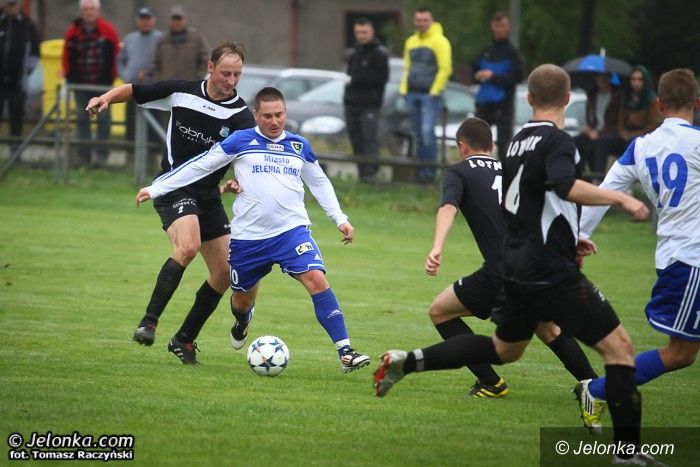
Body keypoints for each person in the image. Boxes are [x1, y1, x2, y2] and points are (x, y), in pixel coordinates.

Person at [375, 64, 655, 465]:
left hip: (517, 265)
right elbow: (565, 186)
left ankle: (411, 361)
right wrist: (622, 198)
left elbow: (521, 207)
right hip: (548, 267)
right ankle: (626, 450)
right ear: (567, 98)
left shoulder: (517, 143)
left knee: (504, 348)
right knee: (620, 349)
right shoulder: (558, 140)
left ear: (528, 98)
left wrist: (569, 236)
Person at [135, 87, 371, 372]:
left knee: (316, 279)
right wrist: (157, 188)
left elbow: (319, 183)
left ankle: (345, 351)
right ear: (256, 115)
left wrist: (340, 218)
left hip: (291, 232)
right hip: (248, 239)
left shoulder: (299, 146)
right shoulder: (240, 140)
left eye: (279, 115)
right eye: (268, 116)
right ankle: (242, 320)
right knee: (242, 301)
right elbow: (200, 166)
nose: (274, 121)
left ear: (286, 113)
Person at [85, 42, 255, 357]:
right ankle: (148, 322)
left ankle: (184, 339)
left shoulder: (241, 116)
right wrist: (106, 97)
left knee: (224, 272)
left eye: (237, 75)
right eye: (225, 73)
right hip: (174, 188)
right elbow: (135, 90)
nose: (231, 81)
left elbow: (249, 157)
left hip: (208, 196)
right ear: (210, 67)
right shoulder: (181, 92)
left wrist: (238, 182)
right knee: (188, 246)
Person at [425, 117, 599, 398]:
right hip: (535, 264)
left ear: (462, 146)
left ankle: (491, 383)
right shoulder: (513, 169)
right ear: (492, 146)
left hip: (501, 271)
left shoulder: (458, 171)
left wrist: (437, 246)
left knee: (440, 312)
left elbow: (448, 207)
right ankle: (594, 385)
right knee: (548, 328)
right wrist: (572, 238)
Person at [576, 68, 700, 426]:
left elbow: (604, 193)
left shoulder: (641, 147)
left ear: (658, 104)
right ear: (696, 103)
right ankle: (597, 390)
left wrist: (577, 237)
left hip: (675, 256)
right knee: (681, 354)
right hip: (691, 259)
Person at [62, 0, 120, 168]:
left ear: (97, 11)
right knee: (82, 120)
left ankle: (101, 158)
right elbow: (65, 56)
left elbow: (116, 55)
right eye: (86, 9)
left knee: (104, 121)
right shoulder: (73, 31)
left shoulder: (108, 30)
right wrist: (69, 76)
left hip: (103, 87)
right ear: (81, 12)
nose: (89, 12)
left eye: (92, 9)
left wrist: (112, 77)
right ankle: (83, 157)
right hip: (80, 86)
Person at [400, 7, 452, 183]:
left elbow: (445, 68)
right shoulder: (411, 41)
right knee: (417, 135)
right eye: (418, 20)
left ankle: (429, 172)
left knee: (427, 132)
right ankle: (420, 171)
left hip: (429, 95)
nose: (421, 24)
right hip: (412, 93)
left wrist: (434, 90)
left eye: (425, 20)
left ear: (431, 21)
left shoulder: (440, 41)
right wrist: (404, 89)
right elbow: (407, 67)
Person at [472, 11, 523, 161]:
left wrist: (493, 76)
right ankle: (479, 170)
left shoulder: (513, 53)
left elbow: (518, 77)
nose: (500, 29)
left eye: (503, 26)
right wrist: (477, 75)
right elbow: (473, 72)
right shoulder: (485, 51)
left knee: (504, 145)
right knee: (478, 141)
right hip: (483, 104)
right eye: (497, 26)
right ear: (492, 27)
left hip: (504, 106)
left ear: (508, 27)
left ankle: (505, 173)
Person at [593, 65, 663, 175]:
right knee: (602, 142)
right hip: (626, 136)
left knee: (633, 142)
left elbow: (652, 126)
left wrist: (633, 135)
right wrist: (624, 133)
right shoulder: (626, 98)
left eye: (640, 79)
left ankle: (625, 177)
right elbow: (620, 122)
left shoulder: (652, 99)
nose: (636, 83)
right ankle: (598, 177)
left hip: (643, 139)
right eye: (633, 79)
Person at [343, 17, 389, 183]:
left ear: (371, 32)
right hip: (351, 103)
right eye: (358, 32)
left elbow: (380, 79)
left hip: (369, 105)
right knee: (356, 140)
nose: (361, 35)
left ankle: (371, 174)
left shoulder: (379, 54)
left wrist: (356, 80)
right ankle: (362, 174)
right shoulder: (355, 53)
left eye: (364, 32)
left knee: (368, 139)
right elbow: (348, 77)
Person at [117, 7, 162, 139]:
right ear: (137, 21)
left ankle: (152, 150)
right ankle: (130, 149)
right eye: (142, 19)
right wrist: (126, 75)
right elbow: (120, 60)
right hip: (131, 89)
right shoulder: (130, 38)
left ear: (153, 21)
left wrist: (150, 74)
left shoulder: (160, 38)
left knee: (153, 124)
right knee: (131, 122)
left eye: (148, 19)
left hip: (153, 90)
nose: (145, 22)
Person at [0, 0, 39, 148]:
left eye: (14, 4)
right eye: (9, 4)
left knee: (16, 119)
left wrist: (25, 73)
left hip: (17, 83)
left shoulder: (28, 25)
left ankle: (15, 153)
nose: (12, 7)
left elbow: (35, 54)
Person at [572, 73, 622, 181]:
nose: (603, 80)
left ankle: (598, 179)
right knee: (576, 141)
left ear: (610, 78)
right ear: (596, 78)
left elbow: (618, 124)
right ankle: (579, 177)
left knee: (599, 143)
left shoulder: (617, 96)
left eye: (606, 77)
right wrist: (588, 129)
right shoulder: (592, 95)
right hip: (594, 132)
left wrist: (599, 133)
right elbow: (590, 120)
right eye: (600, 77)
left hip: (611, 134)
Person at [150, 6, 209, 82]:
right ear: (169, 20)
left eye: (179, 19)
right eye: (174, 19)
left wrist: (198, 78)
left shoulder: (196, 38)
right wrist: (159, 79)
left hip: (189, 84)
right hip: (167, 85)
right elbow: (154, 63)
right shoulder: (162, 40)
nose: (176, 22)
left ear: (185, 20)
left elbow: (205, 60)